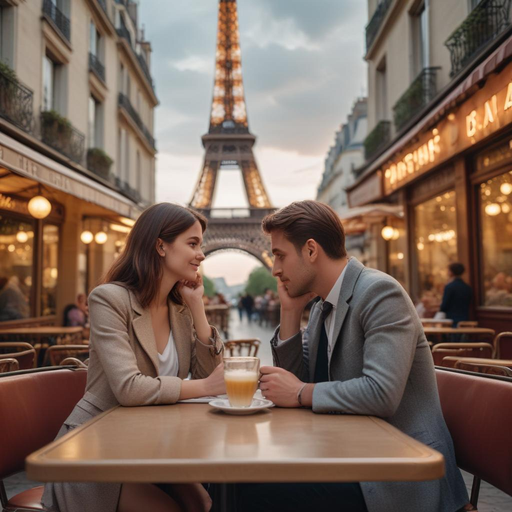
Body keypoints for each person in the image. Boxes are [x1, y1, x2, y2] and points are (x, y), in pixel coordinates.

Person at [239, 200, 468, 512]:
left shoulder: (379, 292)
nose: (275, 269)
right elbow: (298, 381)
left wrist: (301, 392)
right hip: (352, 454)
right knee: (242, 477)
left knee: (249, 487)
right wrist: (290, 312)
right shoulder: (321, 306)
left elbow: (381, 393)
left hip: (399, 472)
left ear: (310, 250)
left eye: (280, 255)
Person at [42, 203, 225, 512]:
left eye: (201, 245)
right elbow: (130, 388)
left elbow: (209, 371)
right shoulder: (109, 299)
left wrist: (197, 307)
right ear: (160, 246)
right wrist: (205, 387)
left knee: (205, 502)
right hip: (98, 449)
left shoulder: (179, 309)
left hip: (151, 443)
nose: (201, 254)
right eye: (192, 243)